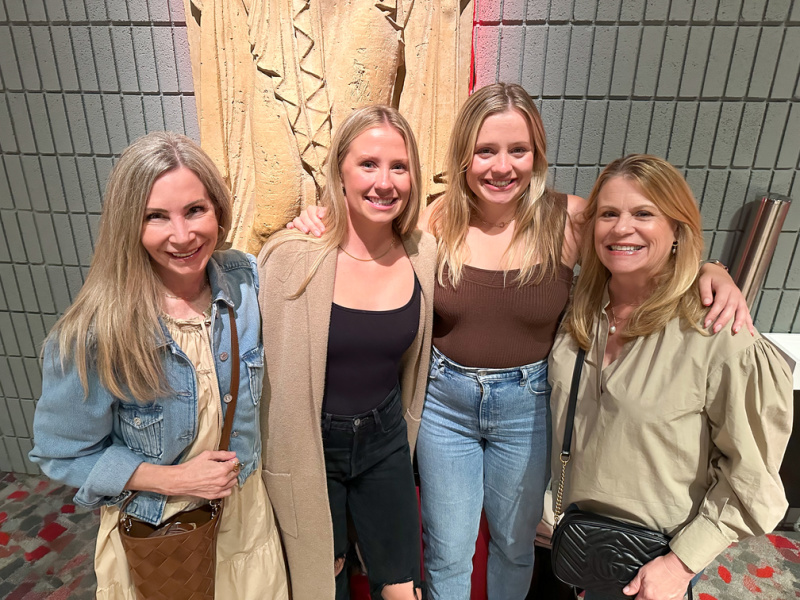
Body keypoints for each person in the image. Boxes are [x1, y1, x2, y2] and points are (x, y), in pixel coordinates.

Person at [288, 83, 751, 599]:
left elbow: (641, 240)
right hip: (445, 404)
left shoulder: (570, 218)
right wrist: (317, 215)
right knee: (446, 549)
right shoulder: (437, 219)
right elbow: (365, 223)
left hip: (528, 407)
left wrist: (714, 270)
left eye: (518, 150)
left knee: (515, 546)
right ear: (465, 157)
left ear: (537, 156)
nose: (501, 166)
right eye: (486, 151)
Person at [29, 132, 288, 600]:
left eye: (195, 210)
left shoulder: (245, 283)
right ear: (129, 224)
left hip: (247, 525)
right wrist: (174, 478)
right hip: (162, 538)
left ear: (218, 210)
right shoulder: (94, 332)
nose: (183, 235)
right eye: (156, 217)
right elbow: (60, 452)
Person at [549, 154, 792, 600]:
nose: (623, 228)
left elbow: (753, 478)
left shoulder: (716, 332)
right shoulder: (579, 314)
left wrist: (680, 565)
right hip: (576, 544)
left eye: (644, 213)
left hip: (653, 562)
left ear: (677, 229)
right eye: (609, 214)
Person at [258, 106, 436, 600]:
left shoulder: (424, 254)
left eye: (399, 166)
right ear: (340, 170)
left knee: (404, 586)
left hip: (386, 441)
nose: (385, 181)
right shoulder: (293, 257)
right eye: (368, 164)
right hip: (313, 449)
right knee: (324, 580)